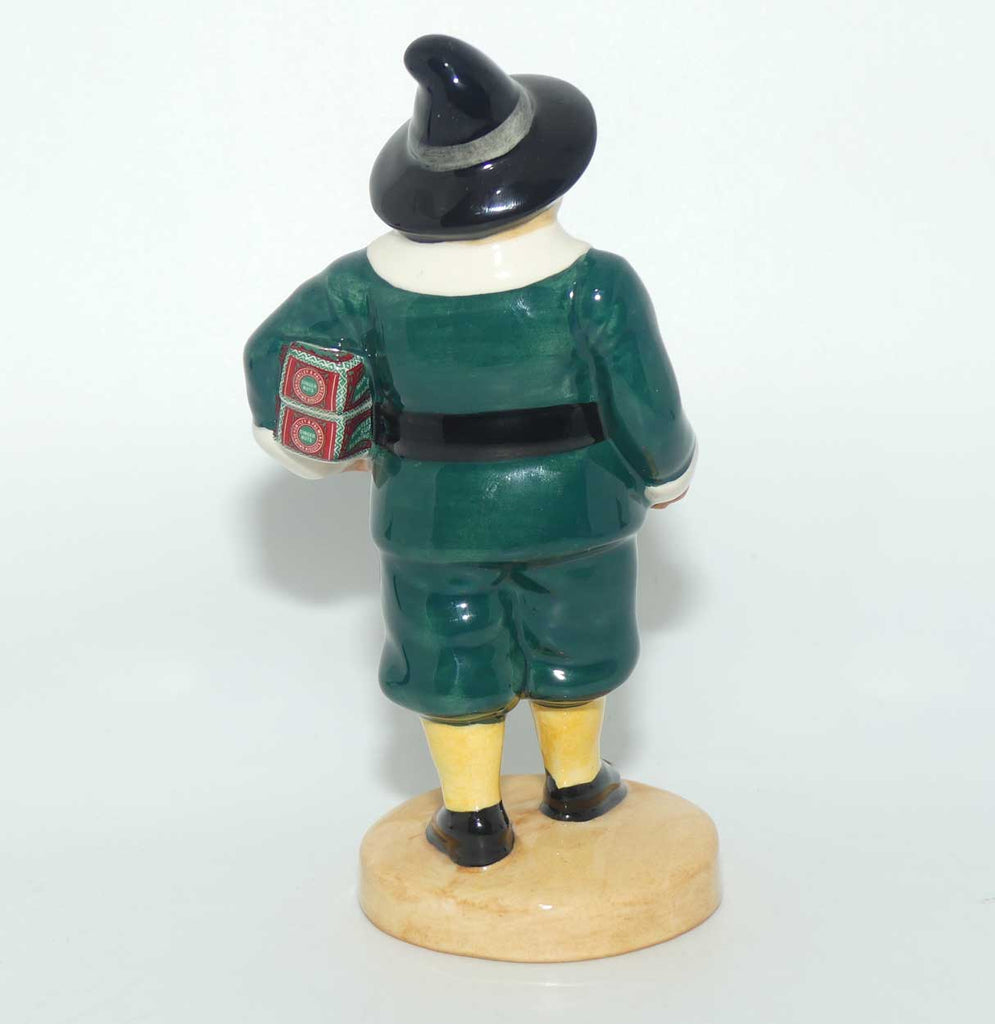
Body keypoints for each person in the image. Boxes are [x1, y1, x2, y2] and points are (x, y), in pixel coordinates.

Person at [244, 34, 696, 867]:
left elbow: (271, 352)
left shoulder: (363, 285)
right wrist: (666, 473)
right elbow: (645, 400)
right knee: (576, 636)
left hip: (431, 512)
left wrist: (317, 443)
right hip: (574, 506)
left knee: (448, 650)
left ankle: (472, 814)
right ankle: (576, 783)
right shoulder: (594, 283)